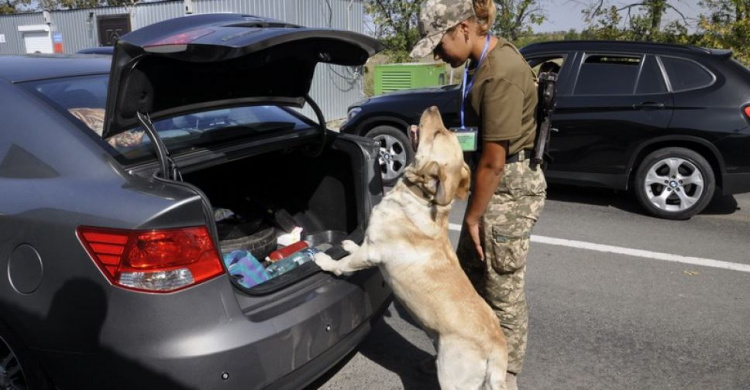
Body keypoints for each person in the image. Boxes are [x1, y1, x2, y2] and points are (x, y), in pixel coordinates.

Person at [410, 1, 546, 389]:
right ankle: (463, 358)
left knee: (502, 290)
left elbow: (493, 161)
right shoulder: (479, 64)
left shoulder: (500, 72)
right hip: (491, 189)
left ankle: (505, 377)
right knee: (467, 281)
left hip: (507, 193)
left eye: (439, 43)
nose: (437, 53)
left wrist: (471, 217)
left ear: (464, 29)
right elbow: (479, 134)